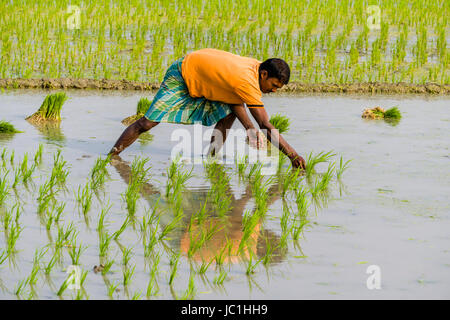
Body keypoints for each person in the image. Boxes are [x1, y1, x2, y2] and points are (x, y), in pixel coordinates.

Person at [108, 48, 306, 169]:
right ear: (264, 74)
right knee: (147, 122)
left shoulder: (254, 69)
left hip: (203, 79)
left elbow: (235, 100)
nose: (273, 91)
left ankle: (211, 159)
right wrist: (292, 155)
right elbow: (264, 123)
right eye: (274, 86)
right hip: (182, 74)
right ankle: (111, 157)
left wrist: (248, 128)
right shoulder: (247, 80)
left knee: (228, 115)